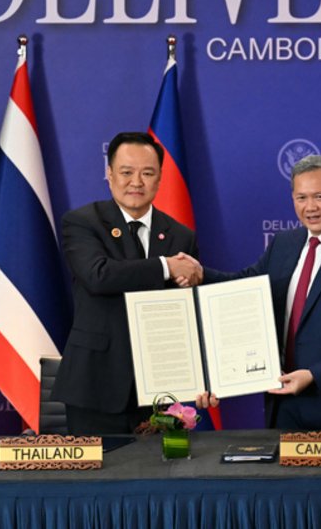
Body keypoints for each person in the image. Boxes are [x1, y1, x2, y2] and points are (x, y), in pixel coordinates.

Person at [198, 155, 321, 430]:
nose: (309, 207)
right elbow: (245, 287)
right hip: (284, 406)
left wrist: (313, 375)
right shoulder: (283, 244)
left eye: (319, 197)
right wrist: (199, 274)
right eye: (301, 198)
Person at [52, 132, 202, 435]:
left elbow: (187, 312)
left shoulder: (180, 236)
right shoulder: (82, 222)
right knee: (98, 466)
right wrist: (166, 267)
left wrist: (192, 279)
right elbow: (98, 275)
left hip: (160, 388)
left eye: (147, 173)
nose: (137, 182)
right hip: (95, 385)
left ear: (160, 178)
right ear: (109, 174)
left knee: (158, 466)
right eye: (126, 172)